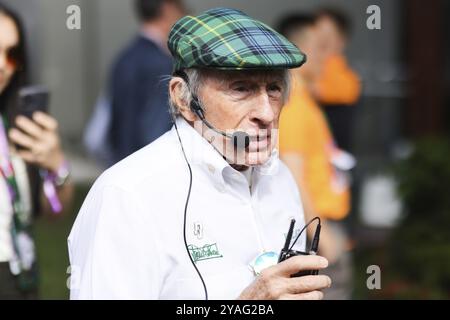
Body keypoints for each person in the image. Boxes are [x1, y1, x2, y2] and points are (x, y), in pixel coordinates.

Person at [69, 7, 331, 300]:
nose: (267, 113)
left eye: (274, 88)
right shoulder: (127, 194)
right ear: (183, 98)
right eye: (241, 88)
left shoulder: (280, 177)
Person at [277, 14, 353, 299]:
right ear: (298, 51)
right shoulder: (294, 101)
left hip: (323, 224)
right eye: (321, 47)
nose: (329, 56)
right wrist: (319, 232)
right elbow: (292, 169)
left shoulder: (305, 98)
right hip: (319, 229)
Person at [0, 3, 73, 299]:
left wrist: (57, 165)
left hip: (21, 276)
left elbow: (54, 213)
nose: (4, 64)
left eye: (12, 53)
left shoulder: (13, 120)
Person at [105, 0, 185, 165]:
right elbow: (156, 132)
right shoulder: (162, 64)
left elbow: (105, 131)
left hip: (122, 164)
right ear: (168, 8)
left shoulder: (124, 58)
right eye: (182, 8)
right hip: (151, 169)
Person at [311, 8, 361, 152]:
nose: (318, 42)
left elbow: (316, 90)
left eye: (325, 38)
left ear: (341, 41)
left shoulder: (346, 78)